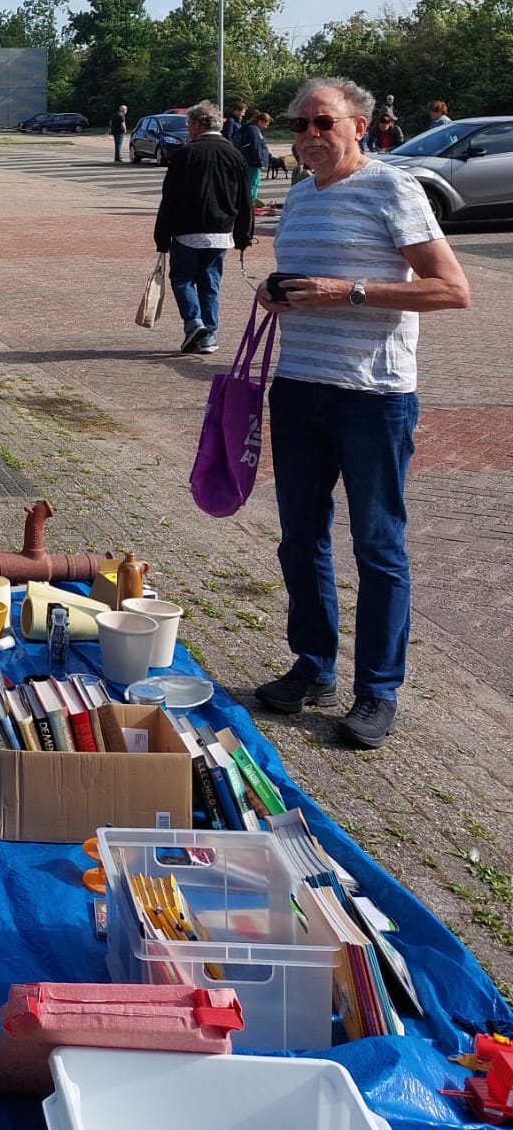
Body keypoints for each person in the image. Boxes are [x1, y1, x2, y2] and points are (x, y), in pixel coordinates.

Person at [253, 77, 470, 749]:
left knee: (377, 547)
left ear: (360, 125)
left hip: (372, 396)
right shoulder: (297, 195)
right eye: (300, 125)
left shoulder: (393, 188)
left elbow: (450, 289)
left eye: (324, 123)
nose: (310, 136)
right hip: (298, 388)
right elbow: (305, 279)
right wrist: (274, 291)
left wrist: (344, 292)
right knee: (300, 537)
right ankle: (314, 667)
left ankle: (377, 692)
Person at [152, 99, 253, 355]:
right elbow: (245, 199)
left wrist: (162, 236)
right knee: (210, 281)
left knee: (183, 278)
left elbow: (170, 197)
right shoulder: (234, 154)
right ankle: (208, 333)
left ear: (197, 124)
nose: (188, 129)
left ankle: (195, 323)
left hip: (187, 228)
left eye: (189, 124)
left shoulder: (186, 154)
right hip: (221, 230)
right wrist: (244, 235)